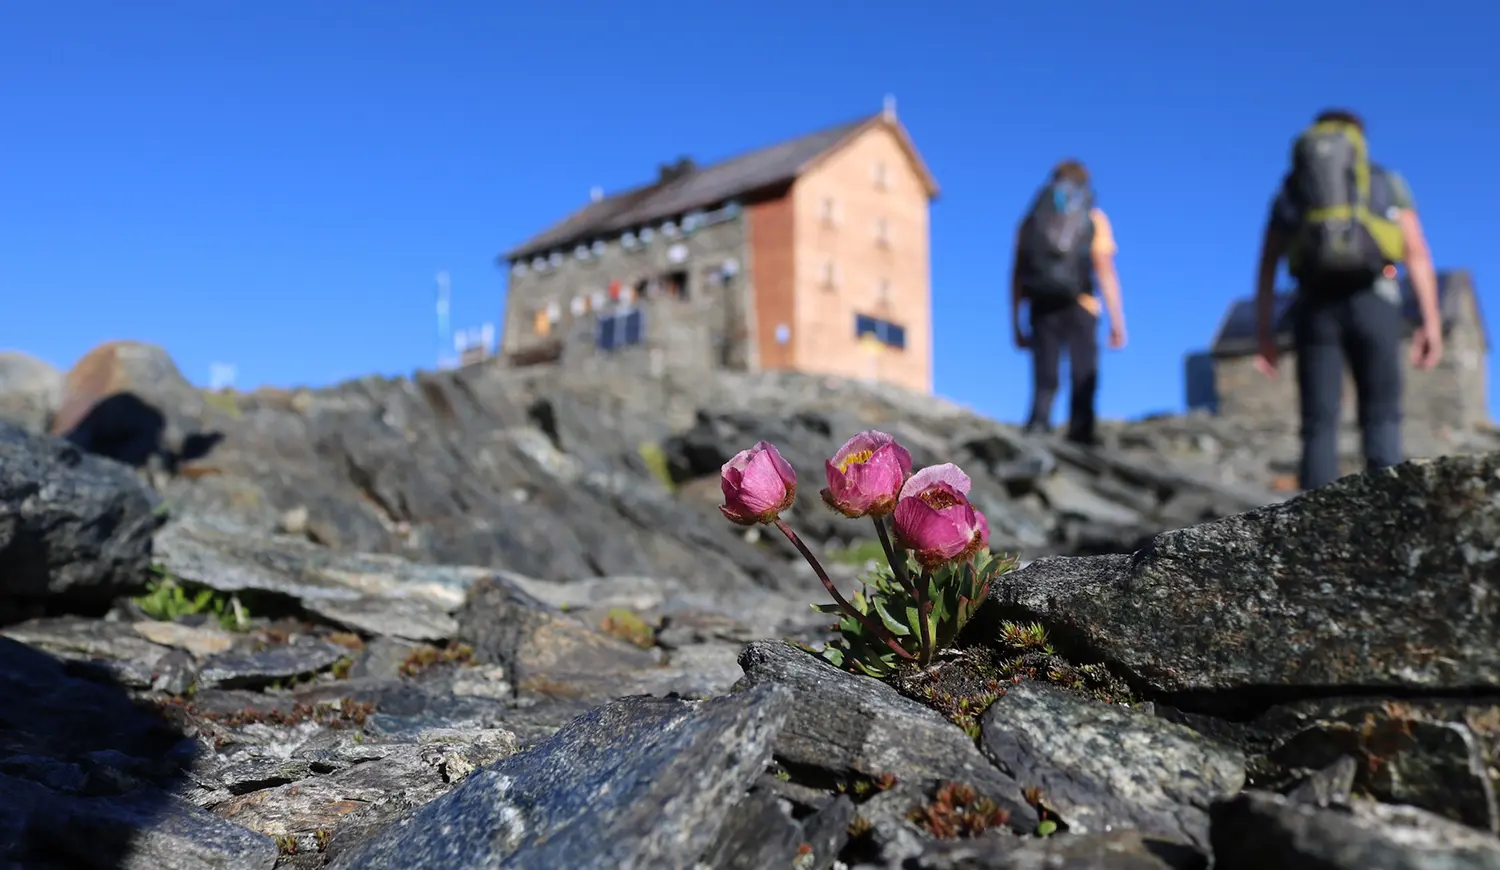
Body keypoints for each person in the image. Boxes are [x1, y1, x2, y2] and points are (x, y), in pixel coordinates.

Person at [1253, 109, 1444, 490]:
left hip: (1313, 304)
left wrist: (1264, 333)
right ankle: (1387, 521)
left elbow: (1268, 264)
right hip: (1374, 299)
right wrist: (1431, 322)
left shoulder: (1293, 189)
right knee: (1381, 413)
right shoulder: (1384, 181)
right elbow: (1416, 252)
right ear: (1359, 141)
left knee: (1319, 421)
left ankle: (1313, 535)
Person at [1011, 159, 1127, 445]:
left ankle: (1038, 429)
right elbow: (1103, 267)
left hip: (1041, 303)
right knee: (1083, 371)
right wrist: (1117, 319)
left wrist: (1015, 321)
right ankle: (1081, 434)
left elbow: (1017, 271)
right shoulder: (1093, 216)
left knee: (1045, 377)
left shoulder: (1032, 219)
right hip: (1082, 303)